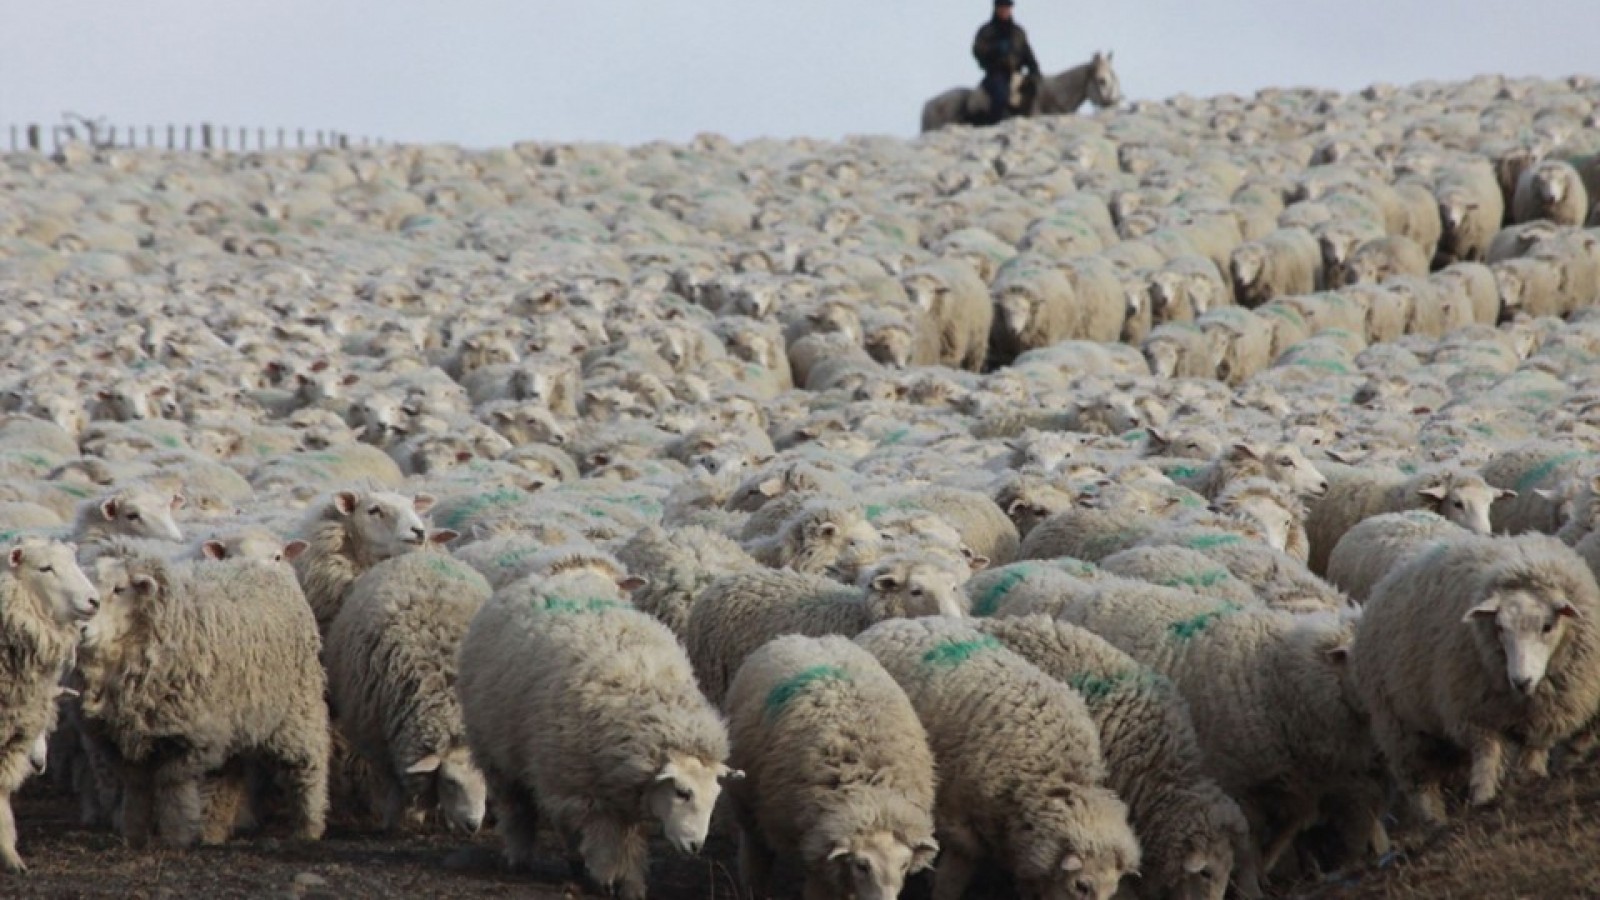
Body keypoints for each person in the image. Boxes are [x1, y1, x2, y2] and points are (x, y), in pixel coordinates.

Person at [972, 0, 1040, 125]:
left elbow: (1027, 53)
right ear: (996, 9)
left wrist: (1034, 70)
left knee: (1032, 91)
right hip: (996, 73)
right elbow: (978, 50)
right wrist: (994, 51)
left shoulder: (1018, 32)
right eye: (1002, 7)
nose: (1005, 10)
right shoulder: (986, 31)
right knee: (1000, 94)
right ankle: (995, 124)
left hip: (1016, 74)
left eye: (1007, 7)